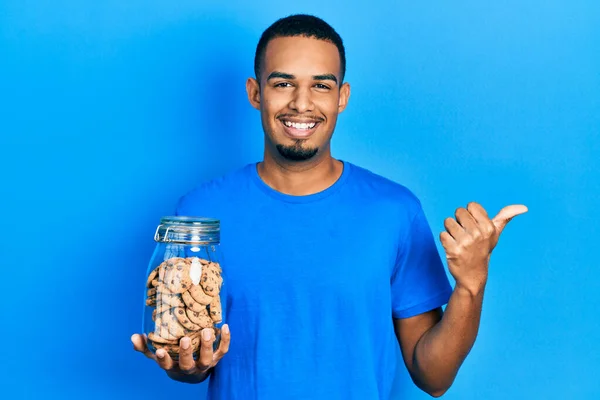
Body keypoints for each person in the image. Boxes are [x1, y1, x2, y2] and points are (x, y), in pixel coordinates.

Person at [131, 14, 527, 399]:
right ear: (255, 93)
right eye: (283, 83)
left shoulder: (394, 211)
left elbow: (434, 377)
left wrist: (471, 285)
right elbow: (189, 355)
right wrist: (189, 365)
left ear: (342, 97)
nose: (301, 104)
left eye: (321, 86)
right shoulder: (201, 213)